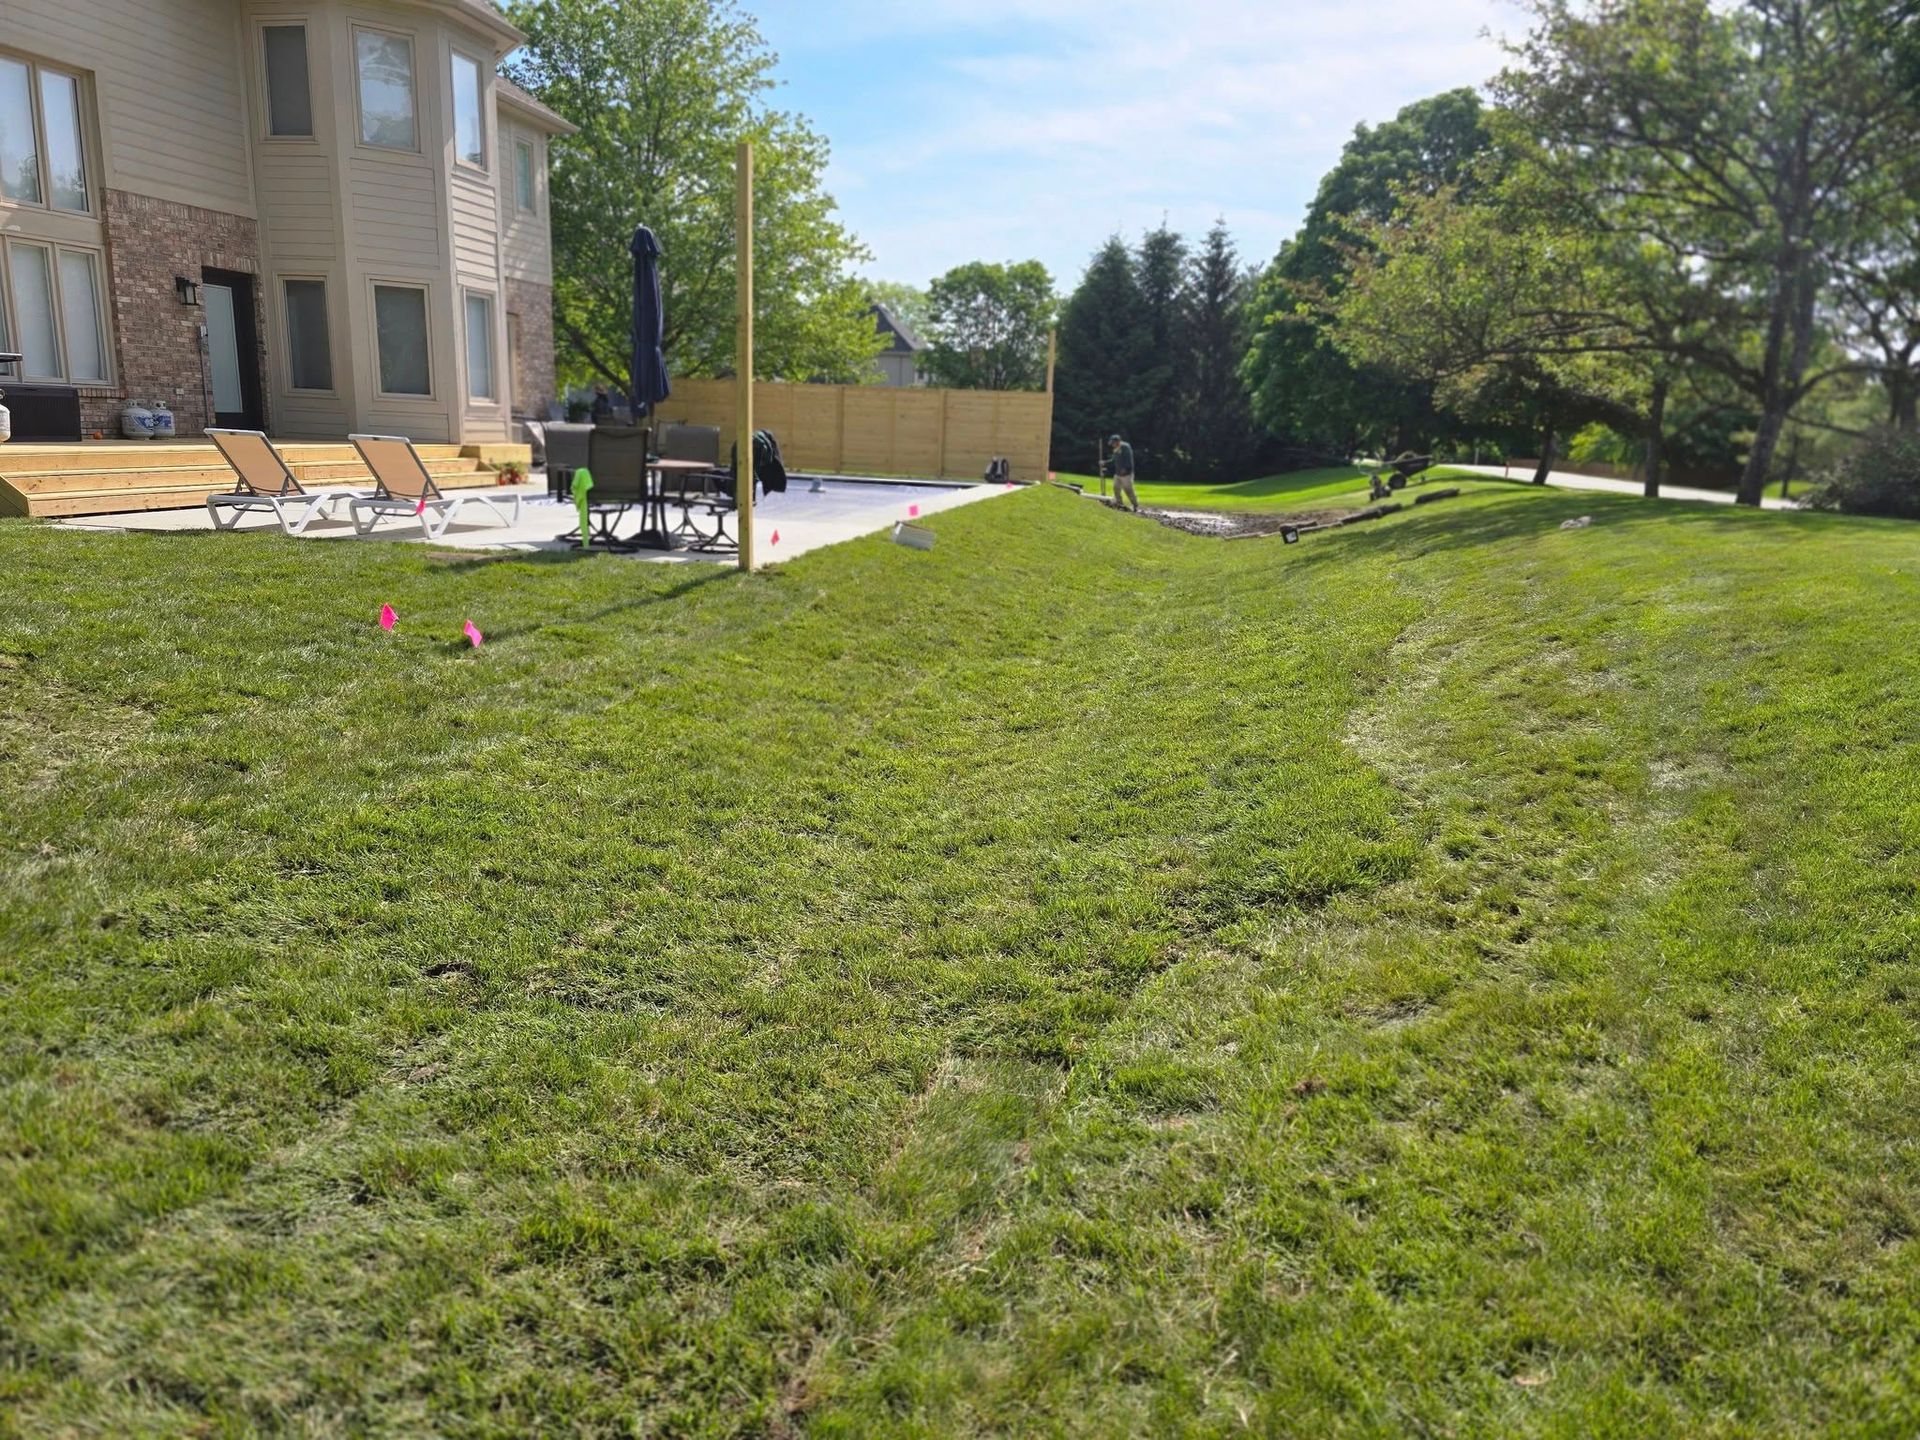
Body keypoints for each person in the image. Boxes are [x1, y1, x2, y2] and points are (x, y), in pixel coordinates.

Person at [1105, 434, 1139, 512]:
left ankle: (1135, 505)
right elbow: (1113, 460)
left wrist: (1126, 468)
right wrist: (1105, 462)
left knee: (1128, 490)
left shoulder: (1125, 447)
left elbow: (1129, 459)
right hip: (1117, 474)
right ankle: (1119, 503)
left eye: (1113, 443)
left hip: (1126, 474)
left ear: (1118, 442)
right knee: (1116, 488)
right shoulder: (1116, 449)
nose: (1112, 445)